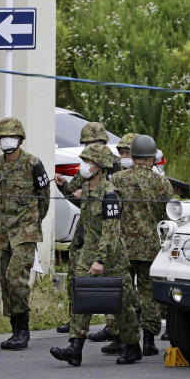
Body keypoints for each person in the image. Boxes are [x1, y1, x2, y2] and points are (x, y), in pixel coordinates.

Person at [50, 144, 142, 366]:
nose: (84, 165)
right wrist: (64, 188)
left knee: (123, 304)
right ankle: (75, 347)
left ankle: (132, 346)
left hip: (112, 256)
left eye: (88, 162)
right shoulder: (88, 189)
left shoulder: (109, 193)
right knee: (81, 298)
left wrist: (100, 260)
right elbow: (81, 204)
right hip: (88, 251)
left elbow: (112, 231)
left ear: (99, 168)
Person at [54, 122, 120, 338]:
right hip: (87, 228)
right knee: (76, 273)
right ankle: (76, 321)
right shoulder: (87, 165)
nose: (90, 147)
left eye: (94, 142)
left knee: (112, 278)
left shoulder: (113, 165)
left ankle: (114, 327)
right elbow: (75, 191)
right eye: (87, 143)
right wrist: (64, 185)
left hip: (108, 228)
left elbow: (117, 197)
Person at [111, 135, 173, 356]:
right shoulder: (162, 182)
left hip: (124, 246)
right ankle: (149, 341)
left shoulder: (118, 179)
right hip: (150, 247)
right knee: (149, 294)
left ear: (134, 155)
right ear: (152, 157)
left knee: (125, 293)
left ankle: (126, 339)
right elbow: (168, 215)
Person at [0, 117, 50, 350]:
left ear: (20, 139)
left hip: (26, 229)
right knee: (3, 276)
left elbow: (44, 197)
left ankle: (23, 329)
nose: (7, 141)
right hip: (4, 228)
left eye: (12, 137)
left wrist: (33, 221)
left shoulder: (33, 163)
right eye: (3, 137)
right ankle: (14, 326)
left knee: (16, 276)